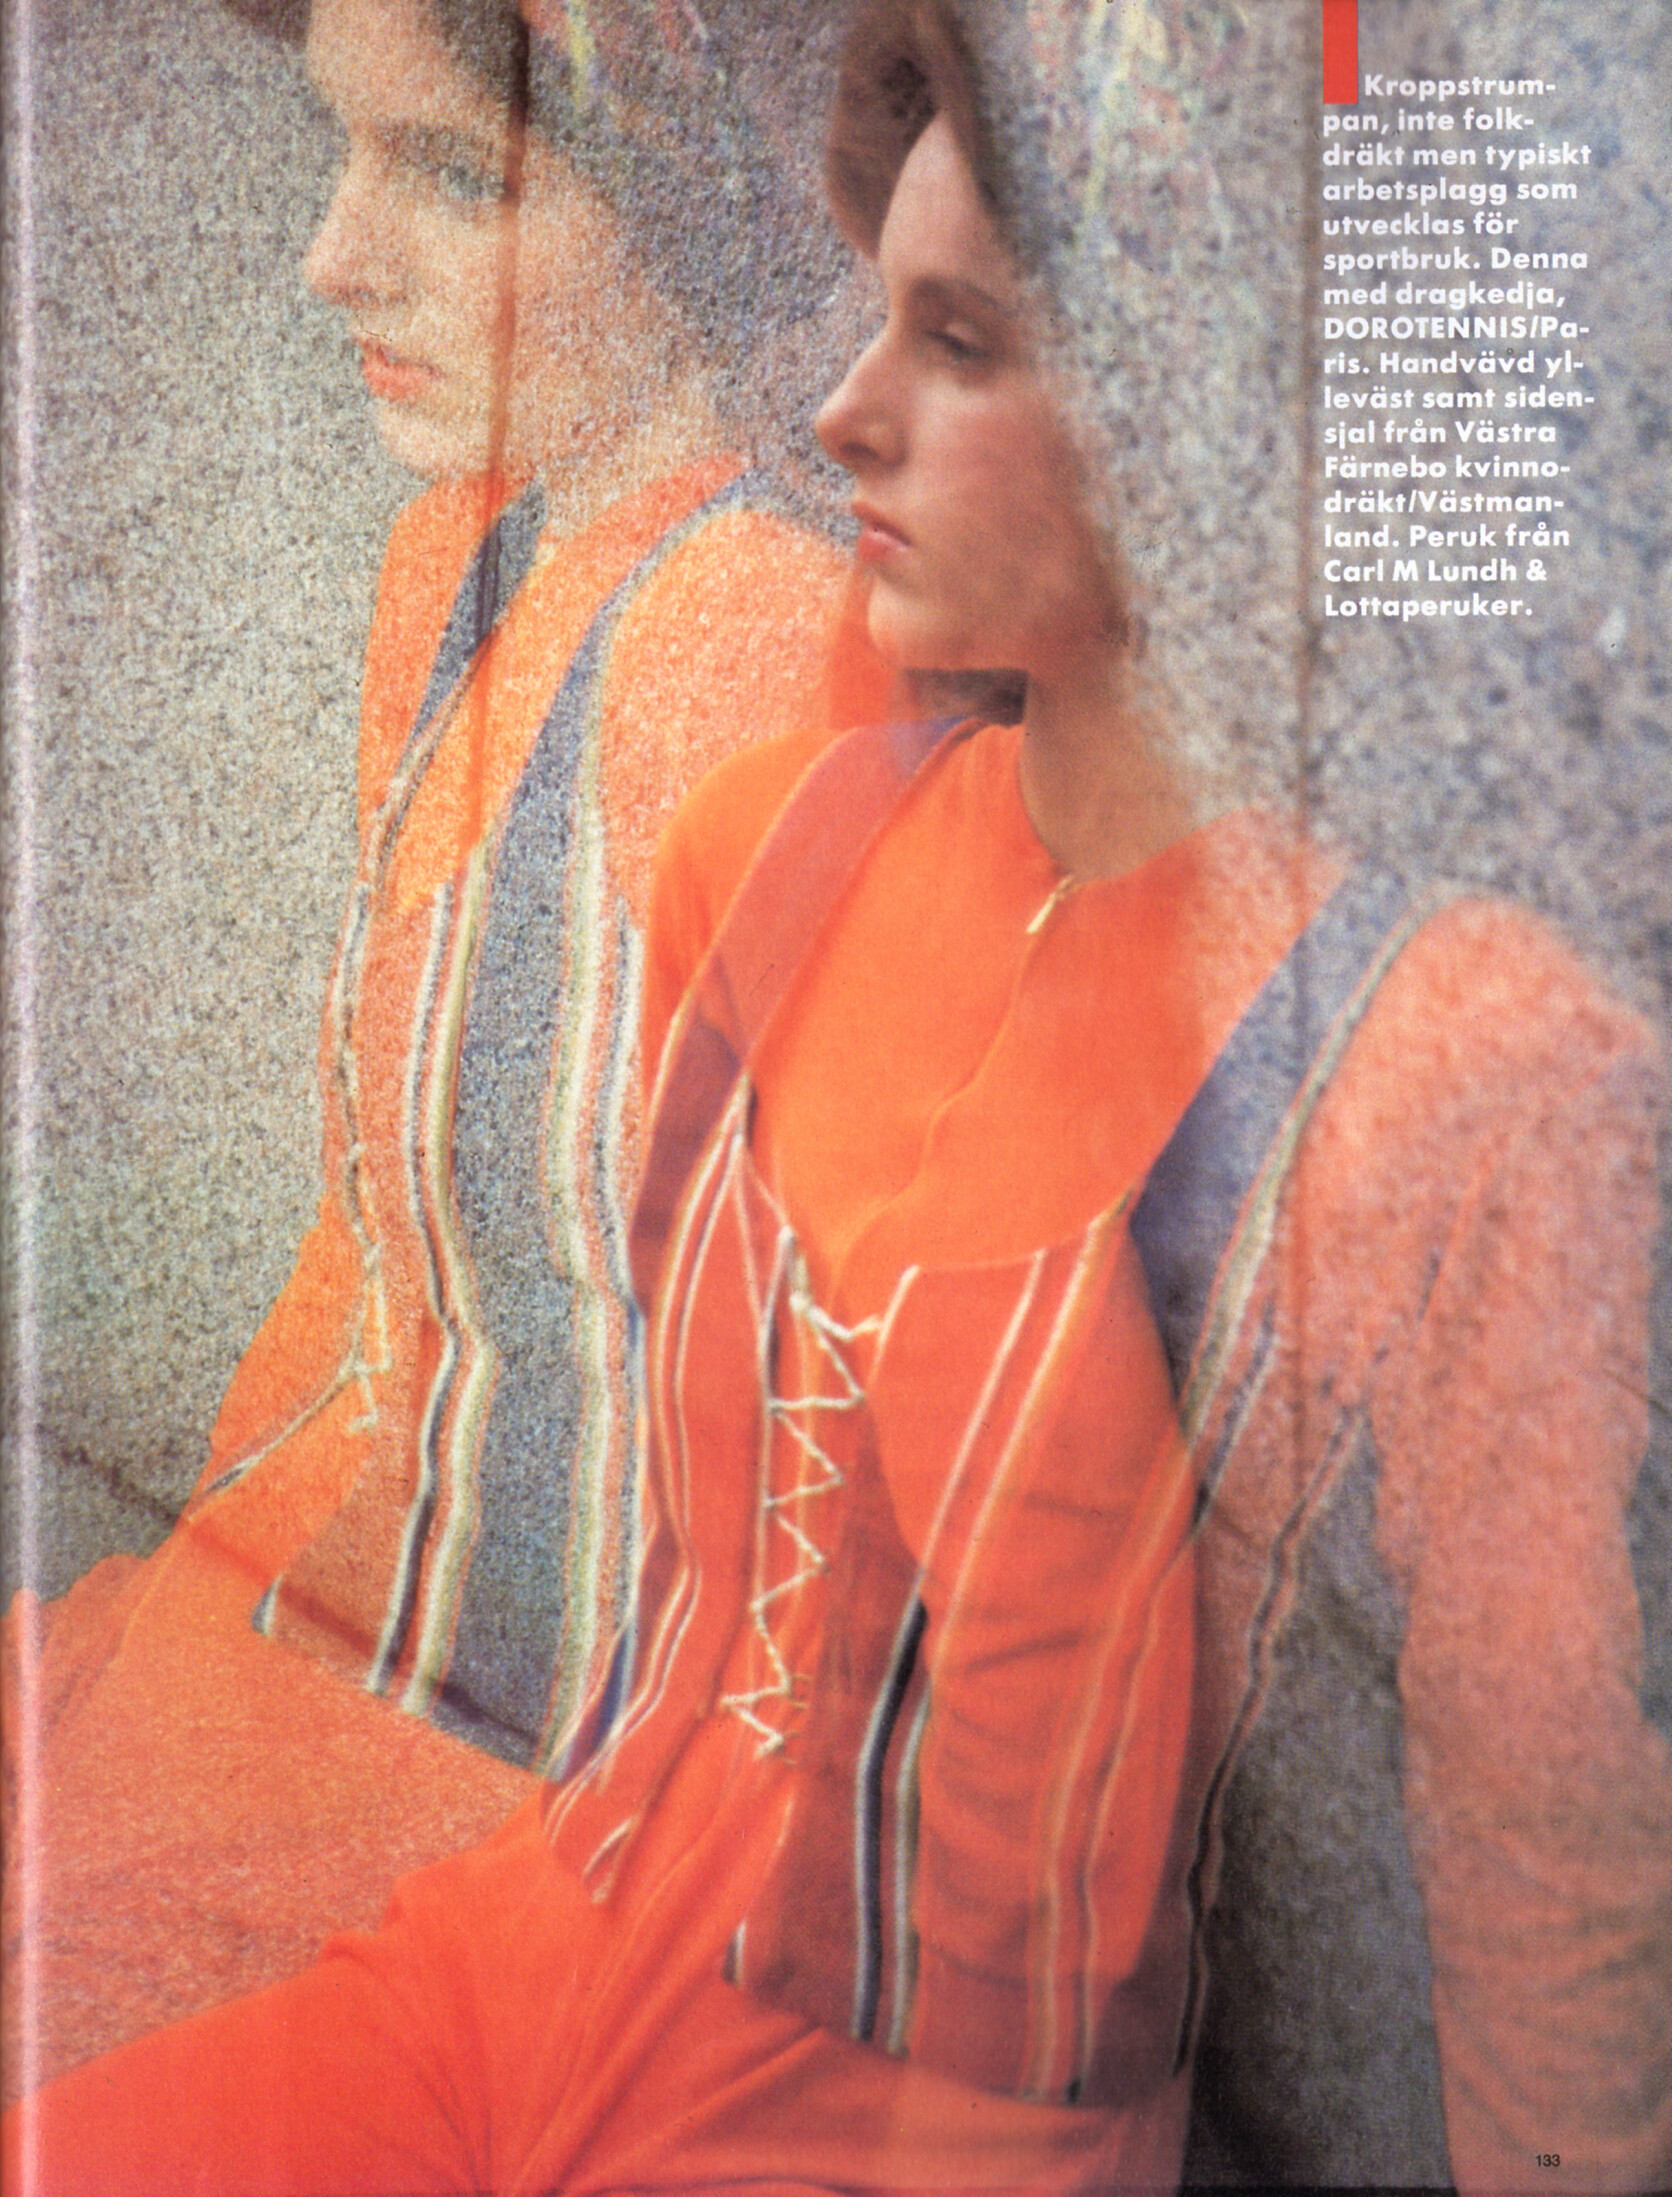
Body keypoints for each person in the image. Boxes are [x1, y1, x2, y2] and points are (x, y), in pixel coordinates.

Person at [7, 1, 1671, 2190]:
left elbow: (1540, 1848)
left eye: (957, 343)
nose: (837, 410)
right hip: (537, 1936)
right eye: (881, 314)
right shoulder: (787, 839)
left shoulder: (1485, 1056)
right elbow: (638, 1529)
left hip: (898, 2110)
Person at [1, 0, 884, 2099]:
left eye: (452, 175)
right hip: (296, 1624)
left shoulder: (759, 644)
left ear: (693, 205)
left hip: (520, 1793)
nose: (330, 257)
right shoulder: (463, 554)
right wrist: (157, 1655)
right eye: (344, 148)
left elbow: (862, 1457)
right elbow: (373, 1253)